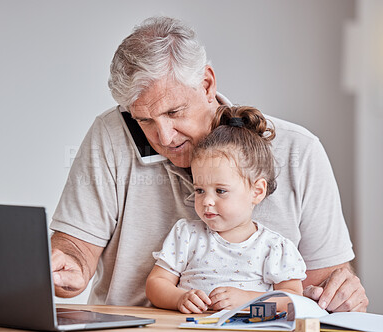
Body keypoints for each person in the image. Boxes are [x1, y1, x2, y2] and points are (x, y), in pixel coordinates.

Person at [50, 16, 368, 312]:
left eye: (174, 112)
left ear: (206, 84)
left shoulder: (300, 150)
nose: (163, 136)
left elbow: (317, 291)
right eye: (144, 120)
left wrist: (340, 296)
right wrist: (66, 267)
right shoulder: (110, 135)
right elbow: (75, 251)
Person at [146, 105, 306, 313]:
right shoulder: (186, 235)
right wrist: (179, 298)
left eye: (220, 191)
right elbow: (156, 283)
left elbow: (293, 298)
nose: (207, 201)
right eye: (200, 190)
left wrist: (248, 300)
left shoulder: (273, 247)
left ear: (257, 191)